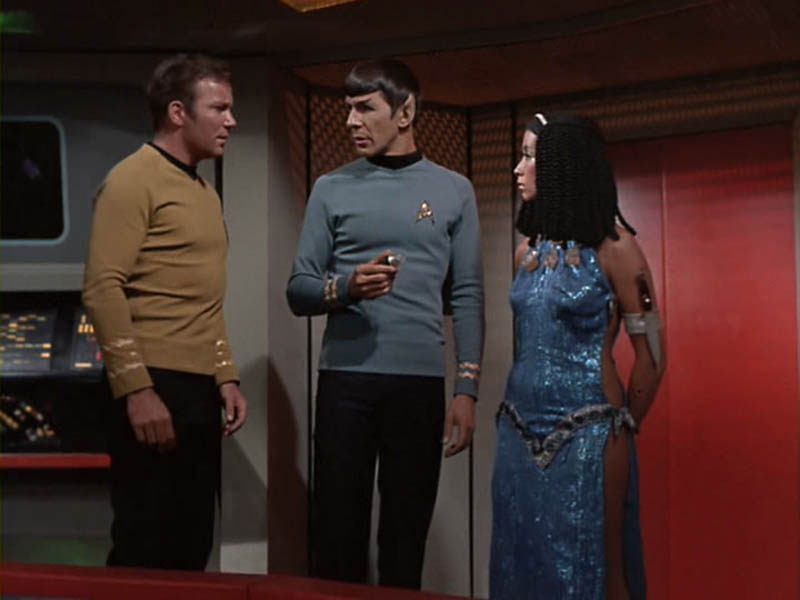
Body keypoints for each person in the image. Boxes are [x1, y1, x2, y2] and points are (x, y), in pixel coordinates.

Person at [286, 58, 484, 589]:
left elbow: (467, 293)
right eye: (348, 109)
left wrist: (466, 389)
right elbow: (299, 289)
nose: (351, 121)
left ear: (405, 112)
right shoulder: (330, 188)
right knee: (336, 536)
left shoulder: (454, 190)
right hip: (345, 383)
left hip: (419, 385)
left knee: (404, 540)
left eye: (365, 108)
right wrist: (347, 287)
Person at [82, 53, 247, 570]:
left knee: (191, 545)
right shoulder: (132, 180)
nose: (231, 121)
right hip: (153, 382)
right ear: (178, 113)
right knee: (144, 544)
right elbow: (102, 288)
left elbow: (203, 297)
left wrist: (225, 374)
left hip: (197, 390)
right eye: (219, 108)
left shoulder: (204, 192)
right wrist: (137, 391)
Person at [490, 113, 666, 600]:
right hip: (517, 431)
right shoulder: (524, 253)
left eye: (529, 157)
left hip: (588, 432)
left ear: (561, 166)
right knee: (520, 558)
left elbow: (652, 356)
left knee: (600, 569)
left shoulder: (617, 250)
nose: (518, 169)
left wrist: (623, 425)